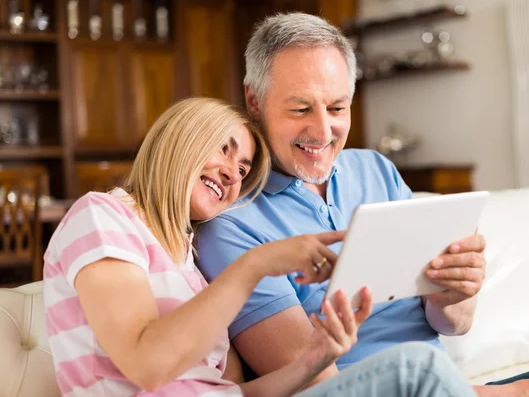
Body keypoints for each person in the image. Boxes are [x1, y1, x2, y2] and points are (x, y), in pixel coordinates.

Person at [196, 12, 529, 397]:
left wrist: (455, 292)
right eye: (300, 108)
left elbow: (451, 324)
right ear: (254, 101)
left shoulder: (374, 170)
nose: (323, 130)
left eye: (337, 108)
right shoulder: (233, 224)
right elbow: (318, 386)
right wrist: (502, 394)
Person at [43, 97, 480, 397]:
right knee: (418, 369)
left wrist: (314, 358)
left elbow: (237, 393)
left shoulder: (189, 268)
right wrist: (257, 263)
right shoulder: (101, 215)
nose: (233, 173)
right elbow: (146, 364)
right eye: (223, 149)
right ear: (178, 139)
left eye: (244, 166)